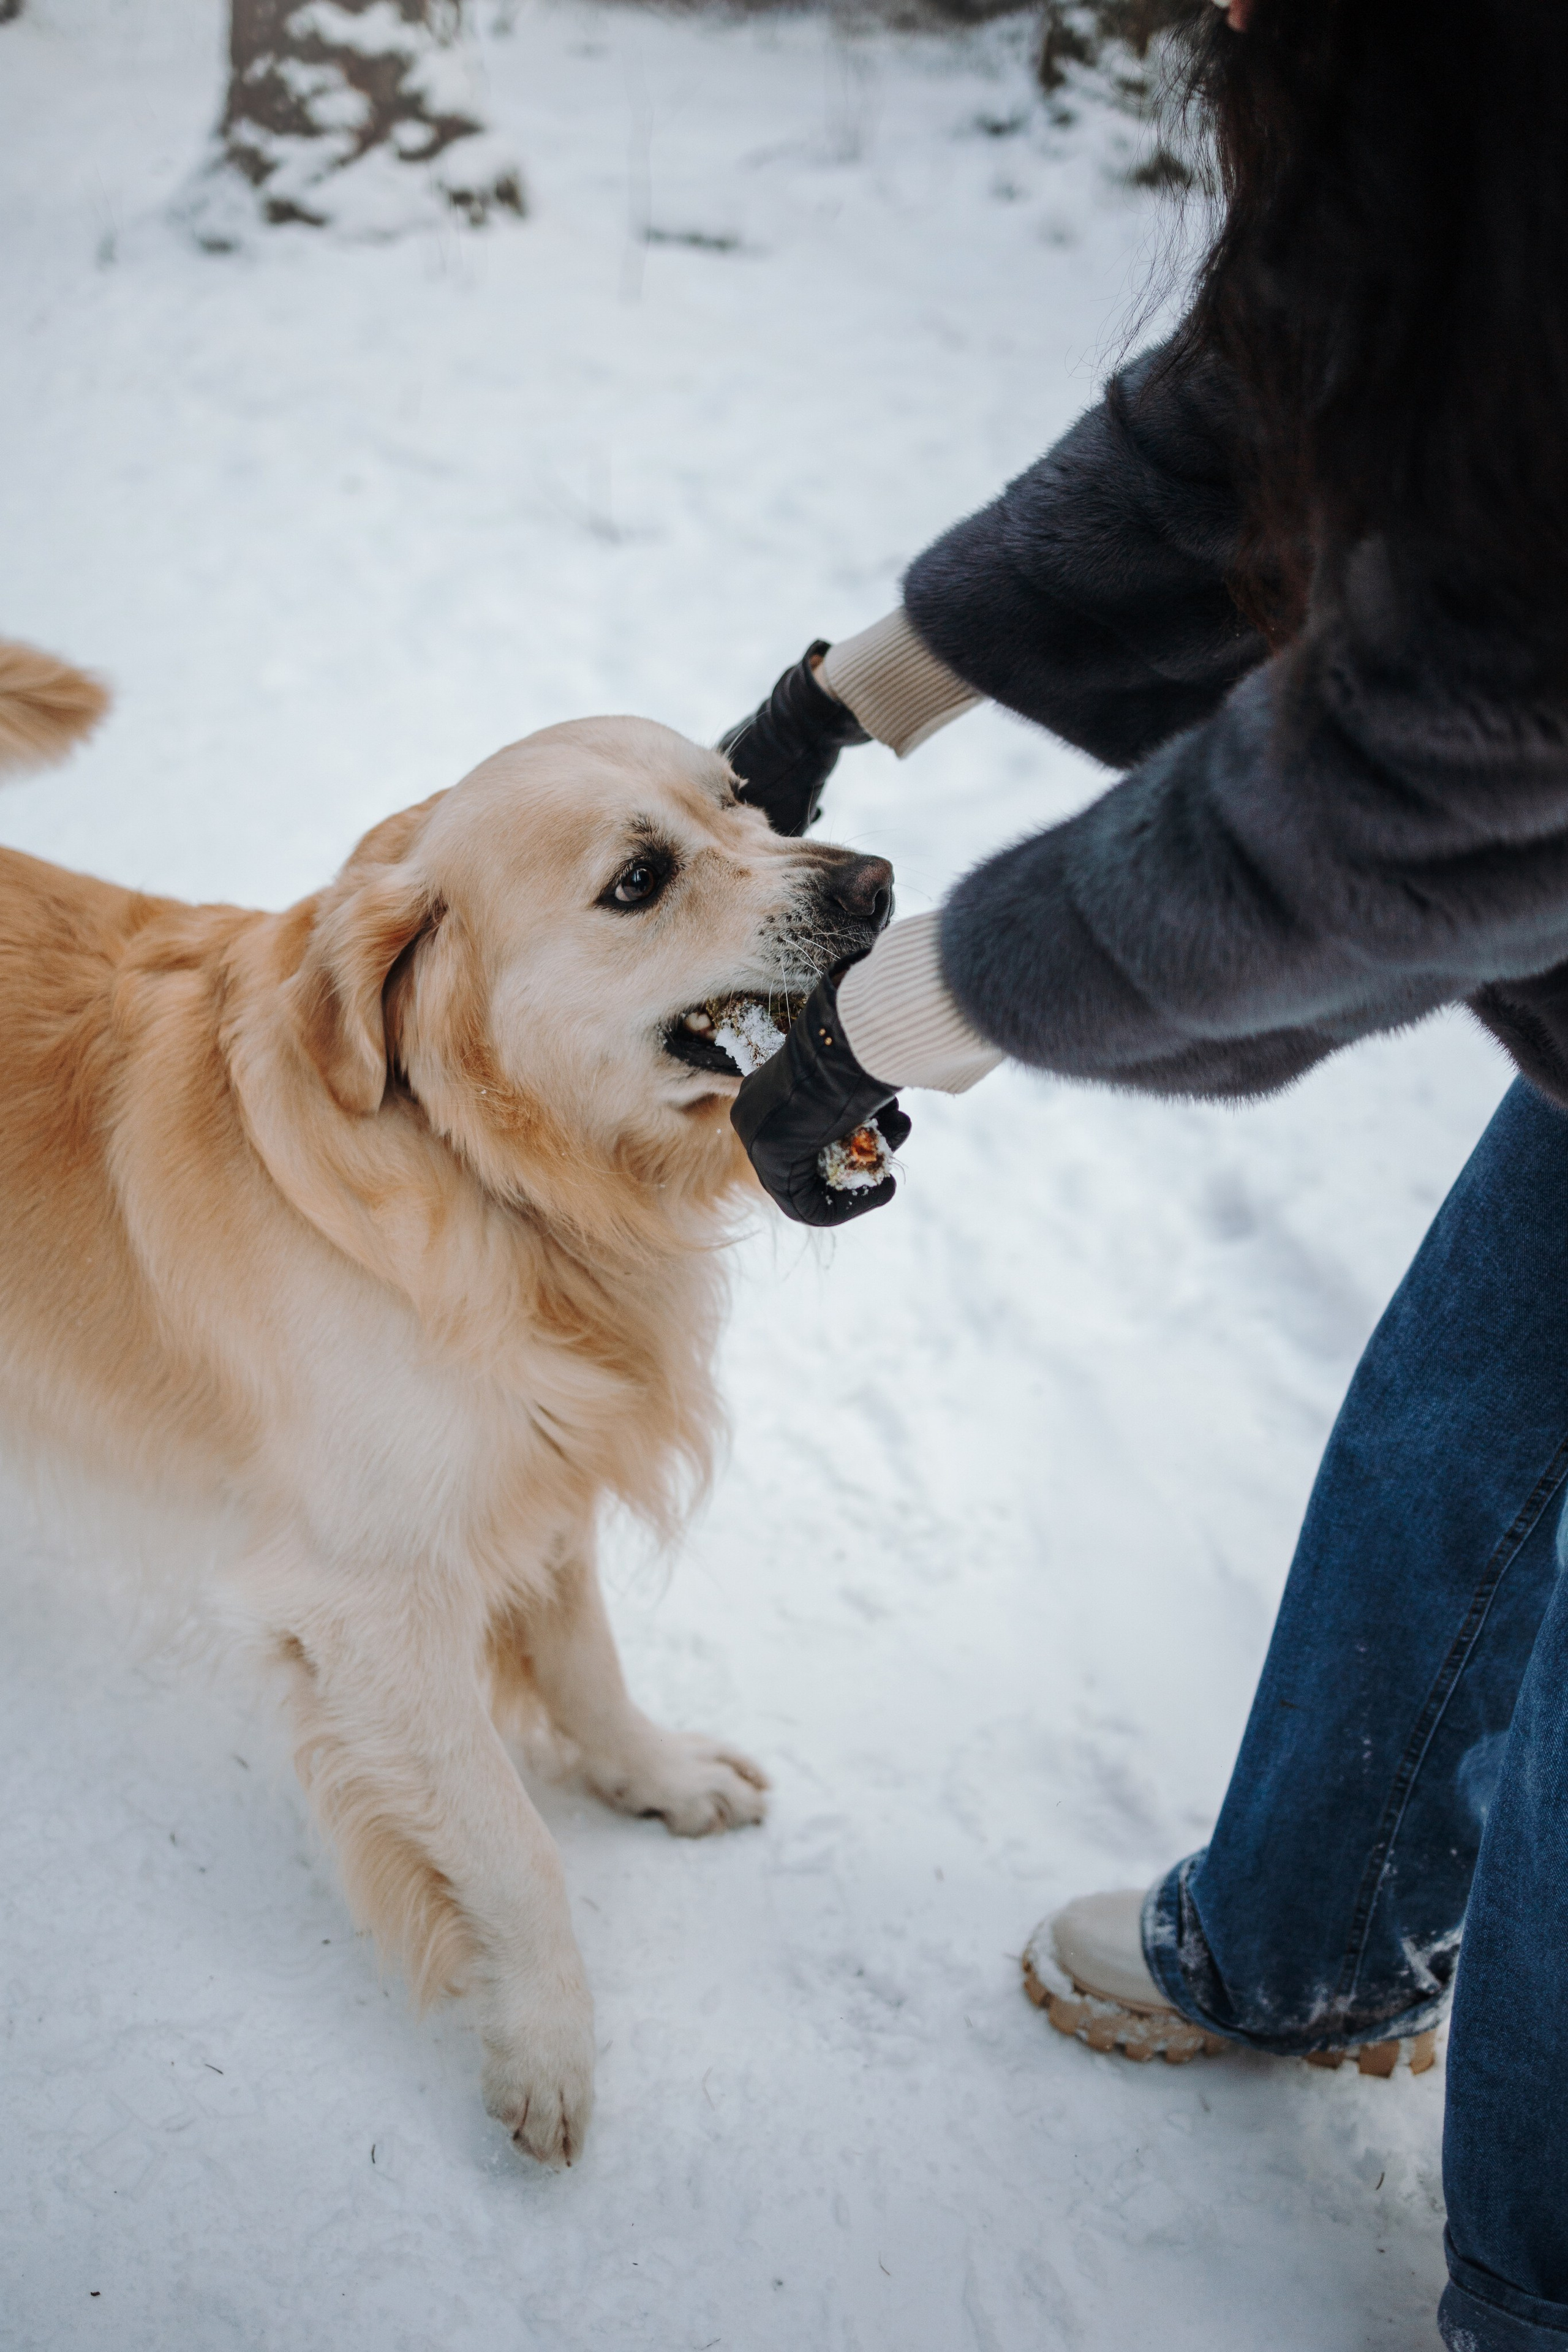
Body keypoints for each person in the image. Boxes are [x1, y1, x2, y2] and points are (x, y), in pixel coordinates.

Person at [715, 2, 1568, 2343]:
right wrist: (858, 691)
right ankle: (1308, 1941)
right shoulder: (1478, 137)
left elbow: (1383, 798)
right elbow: (1276, 370)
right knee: (1460, 1437)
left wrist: (896, 1027)